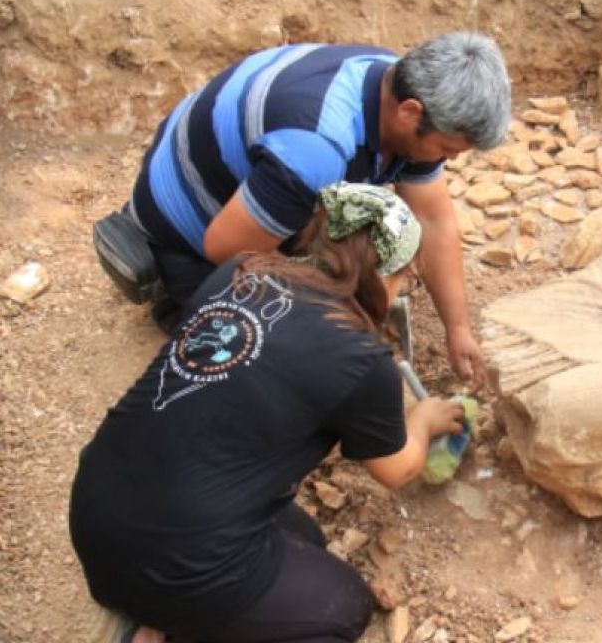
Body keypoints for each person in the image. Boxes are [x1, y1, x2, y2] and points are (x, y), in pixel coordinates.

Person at [71, 183, 467, 643]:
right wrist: (422, 419)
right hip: (177, 559)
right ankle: (161, 618)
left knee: (306, 540)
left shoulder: (240, 272)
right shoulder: (360, 358)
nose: (403, 290)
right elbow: (397, 470)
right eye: (407, 278)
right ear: (382, 274)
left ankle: (154, 612)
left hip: (96, 511)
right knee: (344, 606)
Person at [109, 32, 510, 388]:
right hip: (190, 230)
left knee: (352, 271)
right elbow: (225, 248)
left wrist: (458, 328)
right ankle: (175, 294)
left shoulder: (397, 83)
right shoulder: (317, 146)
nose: (449, 160)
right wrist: (331, 310)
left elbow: (432, 218)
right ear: (410, 113)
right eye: (447, 150)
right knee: (294, 357)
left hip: (253, 183)